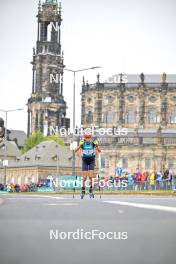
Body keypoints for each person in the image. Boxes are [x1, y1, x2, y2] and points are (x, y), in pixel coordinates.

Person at [74, 131, 101, 198]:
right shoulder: (82, 143)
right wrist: (79, 146)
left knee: (91, 176)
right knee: (84, 177)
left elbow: (99, 151)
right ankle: (83, 190)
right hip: (85, 161)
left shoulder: (93, 143)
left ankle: (91, 190)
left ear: (90, 137)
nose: (88, 139)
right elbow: (75, 150)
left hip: (91, 160)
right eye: (86, 137)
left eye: (89, 137)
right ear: (85, 137)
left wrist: (97, 146)